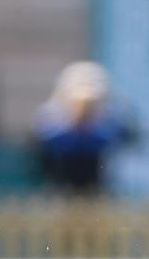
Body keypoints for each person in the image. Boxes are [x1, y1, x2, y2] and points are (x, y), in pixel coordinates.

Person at [32, 61, 134, 194]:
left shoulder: (109, 114)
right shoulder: (53, 114)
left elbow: (126, 135)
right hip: (61, 168)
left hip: (94, 168)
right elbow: (42, 139)